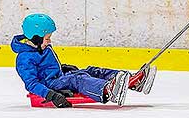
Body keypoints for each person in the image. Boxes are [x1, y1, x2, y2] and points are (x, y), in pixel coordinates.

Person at [11, 13, 156, 108]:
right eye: (47, 38)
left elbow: (46, 66)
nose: (49, 41)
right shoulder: (24, 58)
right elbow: (31, 83)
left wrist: (62, 68)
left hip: (59, 76)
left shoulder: (40, 46)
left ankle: (133, 81)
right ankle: (108, 89)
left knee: (91, 70)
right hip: (50, 85)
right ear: (36, 38)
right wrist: (50, 95)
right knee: (78, 79)